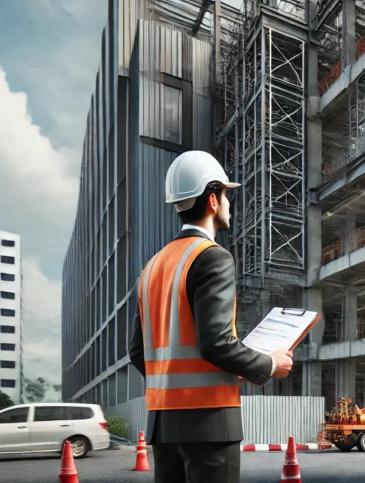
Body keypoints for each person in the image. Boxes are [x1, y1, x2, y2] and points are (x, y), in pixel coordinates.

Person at [128, 150, 294, 483]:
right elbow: (215, 342)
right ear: (213, 200)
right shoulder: (212, 258)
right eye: (226, 195)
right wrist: (269, 364)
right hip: (210, 424)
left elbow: (137, 352)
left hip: (163, 423)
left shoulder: (151, 268)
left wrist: (180, 383)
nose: (229, 204)